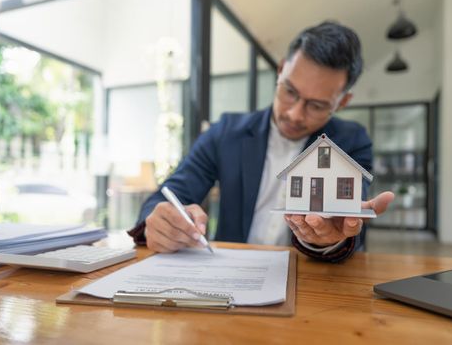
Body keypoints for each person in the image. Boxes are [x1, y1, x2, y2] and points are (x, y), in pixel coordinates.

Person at [128, 21, 394, 262]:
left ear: (343, 102)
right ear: (280, 71)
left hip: (312, 282)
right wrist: (161, 221)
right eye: (290, 91)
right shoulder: (225, 132)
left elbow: (347, 223)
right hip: (229, 276)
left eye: (316, 105)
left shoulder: (351, 141)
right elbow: (170, 194)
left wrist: (326, 240)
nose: (294, 113)